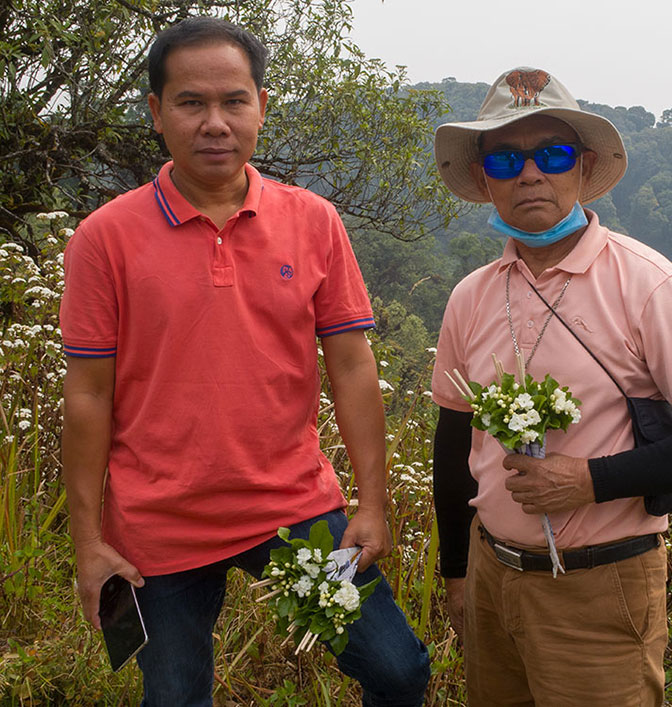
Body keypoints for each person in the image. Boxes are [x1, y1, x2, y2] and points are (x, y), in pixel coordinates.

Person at [59, 17, 429, 706]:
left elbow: (351, 367)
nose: (214, 122)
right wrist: (89, 542)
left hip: (292, 507)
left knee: (395, 669)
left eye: (233, 100)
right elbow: (87, 395)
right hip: (156, 525)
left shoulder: (313, 221)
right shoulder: (104, 239)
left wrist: (372, 504)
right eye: (190, 102)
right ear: (156, 112)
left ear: (261, 104)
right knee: (175, 696)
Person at [430, 67, 672, 706]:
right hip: (492, 577)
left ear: (582, 168)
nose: (529, 174)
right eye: (504, 160)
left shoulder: (647, 284)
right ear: (483, 180)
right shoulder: (471, 297)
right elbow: (454, 443)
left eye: (551, 155)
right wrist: (455, 574)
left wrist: (589, 480)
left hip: (601, 586)